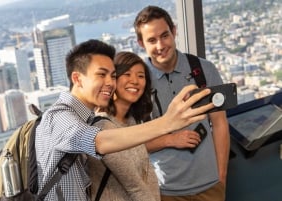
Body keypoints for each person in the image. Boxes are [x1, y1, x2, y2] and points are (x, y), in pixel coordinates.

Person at [35, 39, 214, 201]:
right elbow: (99, 141)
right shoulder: (58, 117)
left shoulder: (86, 117)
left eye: (113, 75)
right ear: (77, 78)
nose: (110, 83)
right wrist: (167, 123)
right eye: (101, 74)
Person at [134, 5, 230, 201]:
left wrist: (221, 175)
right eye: (152, 40)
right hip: (165, 191)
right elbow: (132, 145)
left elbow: (220, 124)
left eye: (164, 35)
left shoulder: (204, 69)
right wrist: (170, 139)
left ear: (174, 31)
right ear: (141, 43)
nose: (160, 45)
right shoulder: (138, 82)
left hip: (210, 187)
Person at [89, 51, 199, 201]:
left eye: (141, 76)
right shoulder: (104, 126)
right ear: (113, 79)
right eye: (127, 74)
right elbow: (135, 186)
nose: (135, 81)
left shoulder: (131, 121)